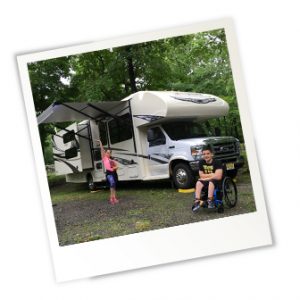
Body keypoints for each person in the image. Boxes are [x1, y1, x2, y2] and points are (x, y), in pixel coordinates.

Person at [97, 139, 119, 205]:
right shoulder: (104, 158)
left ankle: (114, 198)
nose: (108, 153)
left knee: (114, 186)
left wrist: (114, 168)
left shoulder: (111, 160)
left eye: (109, 153)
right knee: (112, 184)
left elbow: (117, 166)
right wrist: (100, 143)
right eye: (107, 152)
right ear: (105, 153)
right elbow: (102, 150)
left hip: (114, 173)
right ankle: (111, 198)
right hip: (109, 173)